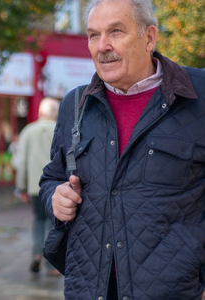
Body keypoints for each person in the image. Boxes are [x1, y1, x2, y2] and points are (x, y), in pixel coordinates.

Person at [39, 0, 205, 299]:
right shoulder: (74, 106)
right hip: (90, 290)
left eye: (116, 31)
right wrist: (56, 197)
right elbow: (52, 177)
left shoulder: (199, 95)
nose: (103, 46)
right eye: (93, 35)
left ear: (149, 37)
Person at [15, 97, 60, 275]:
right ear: (55, 113)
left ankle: (35, 255)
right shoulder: (59, 129)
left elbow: (22, 161)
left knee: (38, 219)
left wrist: (21, 186)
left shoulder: (28, 131)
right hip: (56, 186)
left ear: (40, 113)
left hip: (34, 186)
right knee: (52, 223)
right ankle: (50, 264)